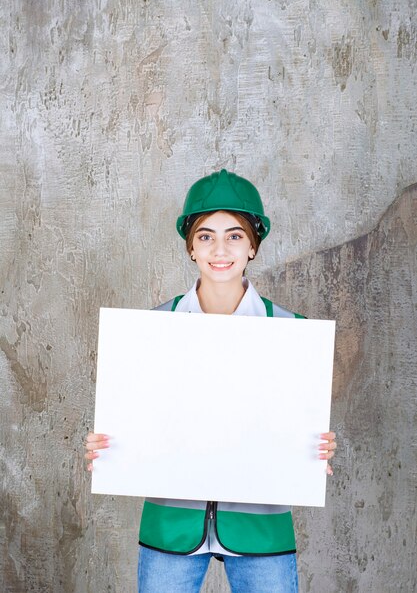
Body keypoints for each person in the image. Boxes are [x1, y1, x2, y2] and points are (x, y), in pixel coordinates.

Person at [85, 169, 337, 593]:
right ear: (190, 246)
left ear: (253, 245)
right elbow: (137, 422)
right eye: (205, 236)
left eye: (235, 236)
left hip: (261, 530)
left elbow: (292, 427)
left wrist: (314, 446)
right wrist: (109, 444)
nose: (220, 249)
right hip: (172, 527)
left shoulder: (294, 333)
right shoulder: (149, 330)